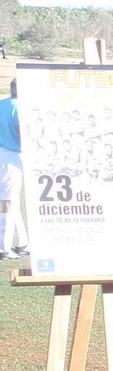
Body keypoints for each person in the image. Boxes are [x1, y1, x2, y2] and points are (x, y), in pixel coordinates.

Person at [0, 79, 28, 258]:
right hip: (12, 154)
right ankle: (4, 246)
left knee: (13, 199)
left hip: (2, 152)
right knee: (9, 201)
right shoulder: (20, 109)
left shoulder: (2, 104)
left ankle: (23, 242)